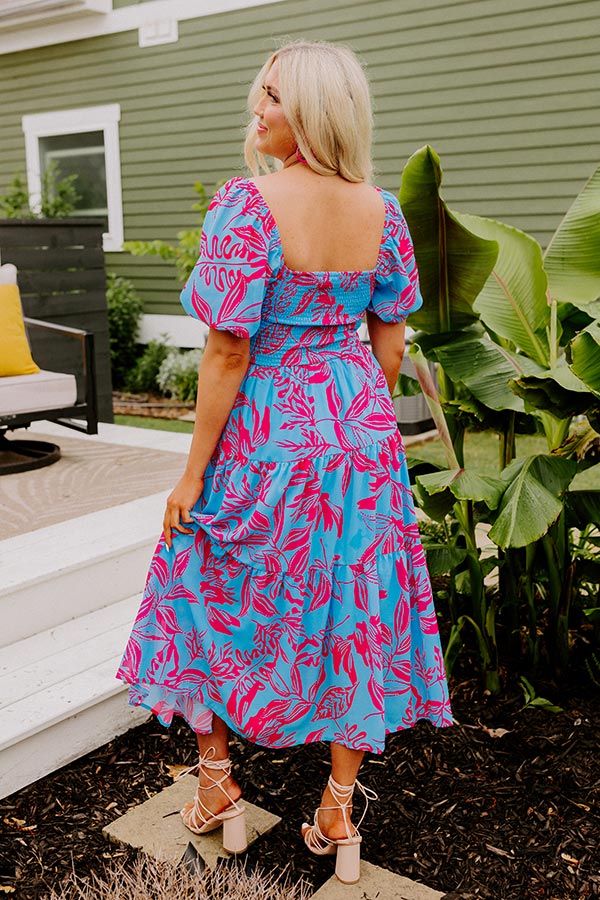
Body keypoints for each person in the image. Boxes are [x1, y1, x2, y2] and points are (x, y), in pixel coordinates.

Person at [117, 39, 452, 885]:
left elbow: (228, 350)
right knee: (352, 603)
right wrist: (354, 423)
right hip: (359, 430)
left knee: (198, 580)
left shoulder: (248, 206)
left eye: (271, 97)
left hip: (266, 426)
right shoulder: (384, 212)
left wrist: (192, 473)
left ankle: (218, 786)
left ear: (310, 112)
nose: (256, 109)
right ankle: (339, 812)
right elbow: (389, 339)